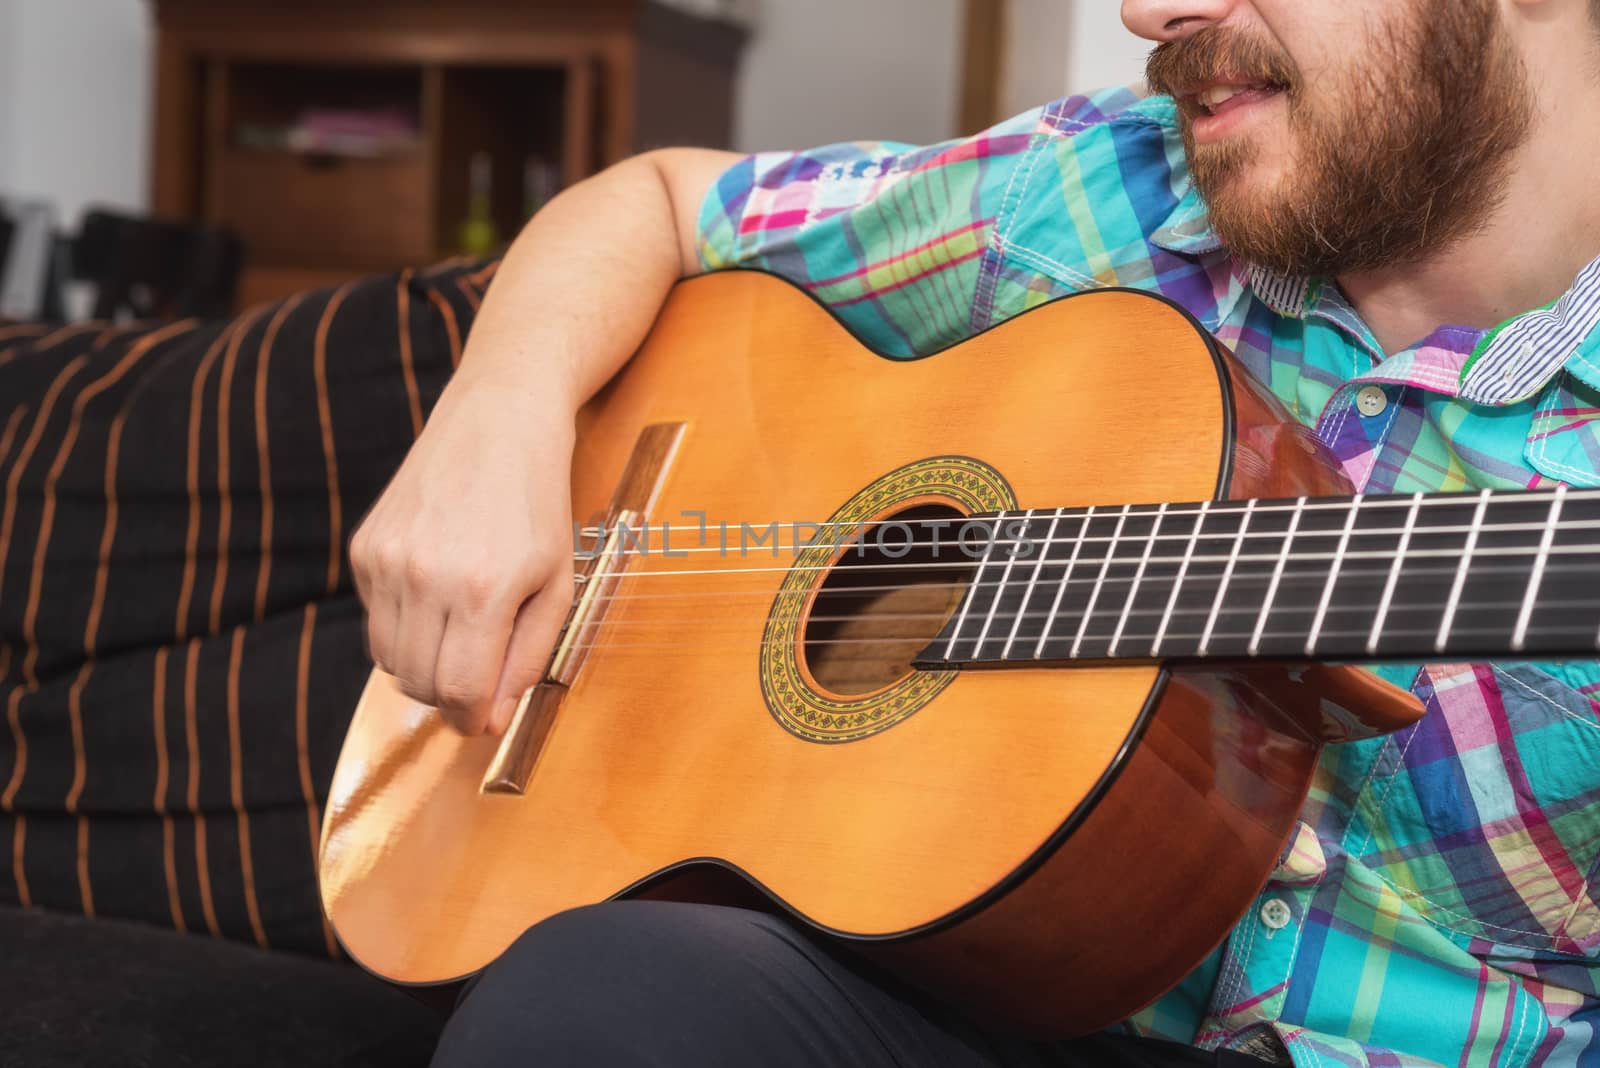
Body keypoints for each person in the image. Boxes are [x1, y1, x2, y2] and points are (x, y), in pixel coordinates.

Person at [349, 0, 1600, 1063]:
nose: (1144, 12)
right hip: (999, 1006)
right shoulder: (1096, 190)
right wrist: (493, 423)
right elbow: (663, 201)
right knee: (600, 1001)